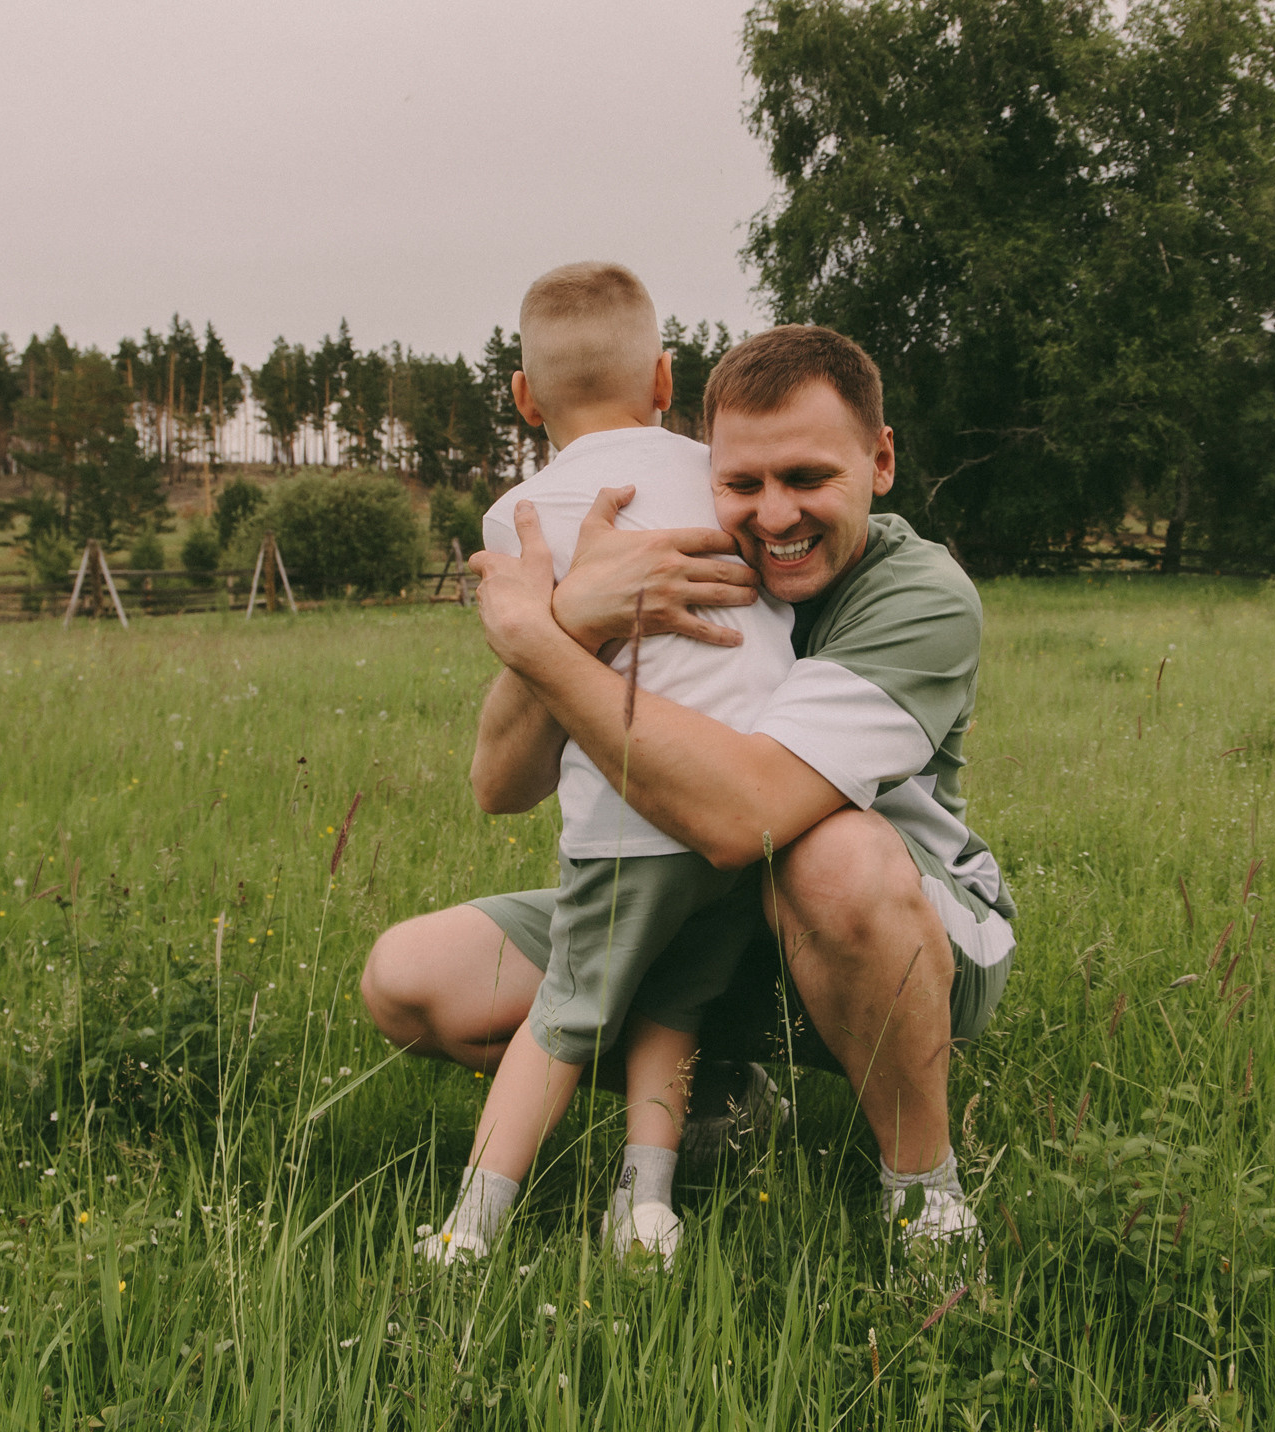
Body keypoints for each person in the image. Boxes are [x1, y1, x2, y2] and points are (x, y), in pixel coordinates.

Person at [363, 322, 1012, 1250]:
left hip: (902, 925)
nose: (774, 516)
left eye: (808, 479)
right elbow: (500, 784)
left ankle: (925, 1194)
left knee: (829, 855)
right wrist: (579, 616)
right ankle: (724, 1092)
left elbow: (740, 819)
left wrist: (539, 642)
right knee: (409, 981)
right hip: (710, 905)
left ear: (880, 461)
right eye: (743, 483)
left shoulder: (918, 595)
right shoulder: (676, 554)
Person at [418, 262, 795, 1267]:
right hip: (746, 800)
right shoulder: (718, 474)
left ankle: (471, 1225)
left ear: (524, 396)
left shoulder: (522, 515)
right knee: (673, 1008)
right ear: (668, 380)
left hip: (625, 822)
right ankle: (643, 1209)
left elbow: (534, 658)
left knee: (565, 1019)